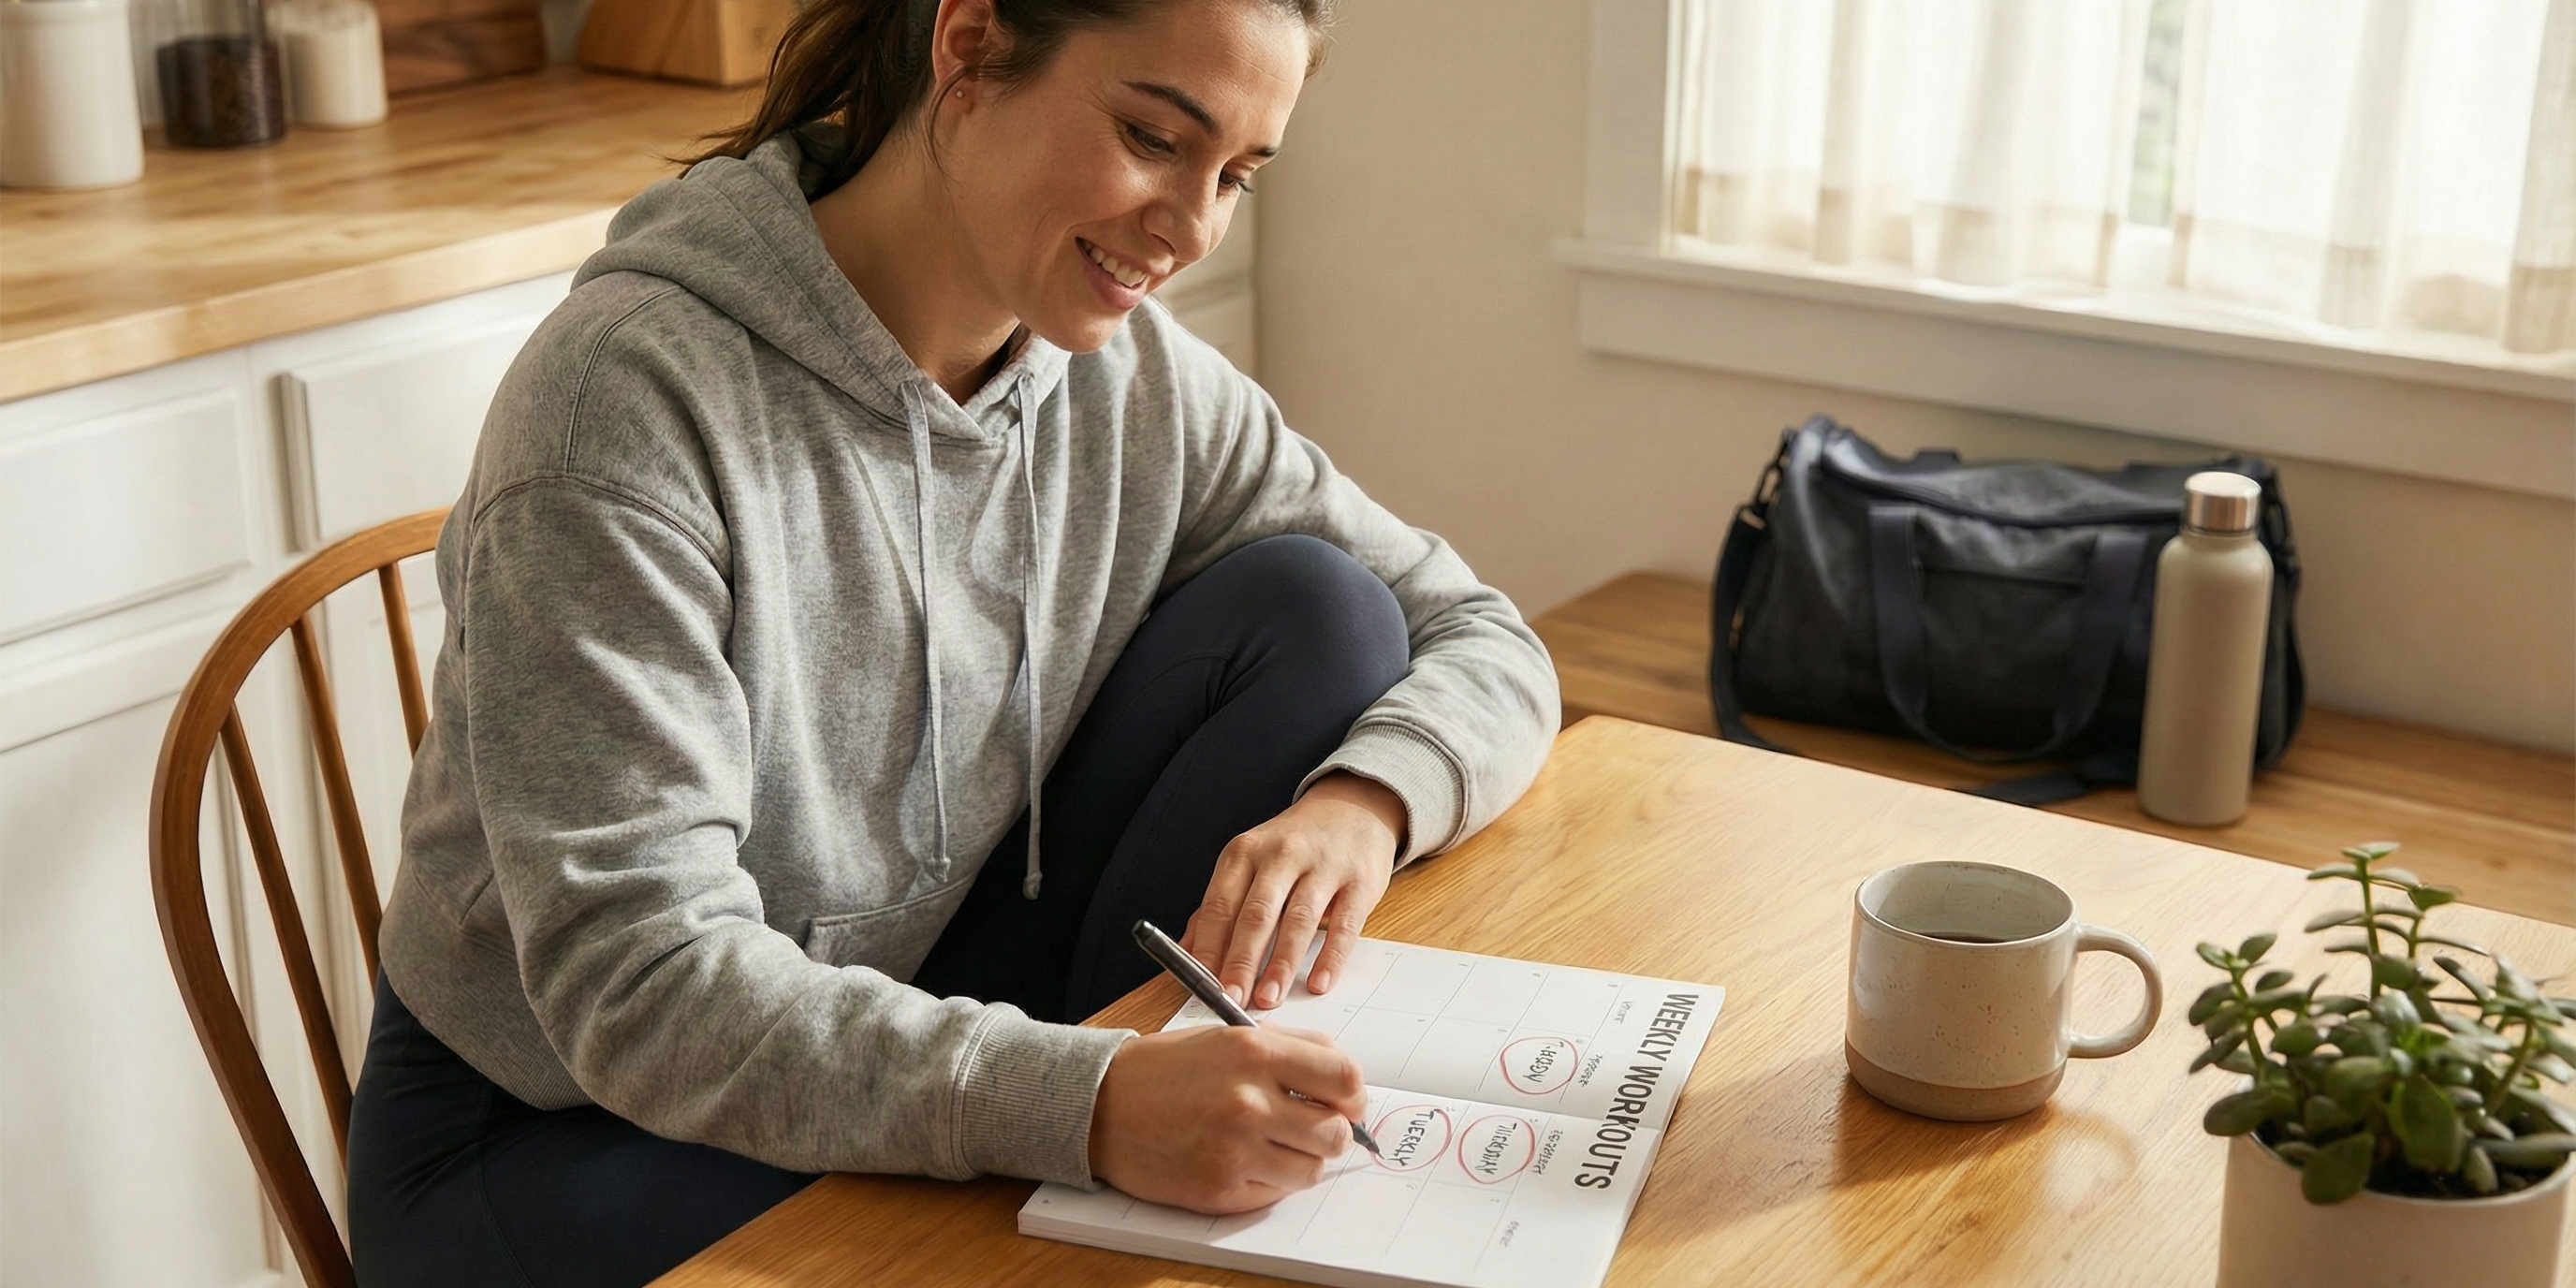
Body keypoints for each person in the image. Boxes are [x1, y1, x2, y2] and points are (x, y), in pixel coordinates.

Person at [343, 0, 1558, 1282]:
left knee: (1320, 609)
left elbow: (1482, 635)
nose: (1195, 228)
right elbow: (641, 986)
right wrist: (1085, 1103)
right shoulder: (624, 406)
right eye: (1155, 138)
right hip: (553, 1131)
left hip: (911, 996)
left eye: (1235, 176)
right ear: (969, 46)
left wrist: (1365, 804)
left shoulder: (1127, 381)